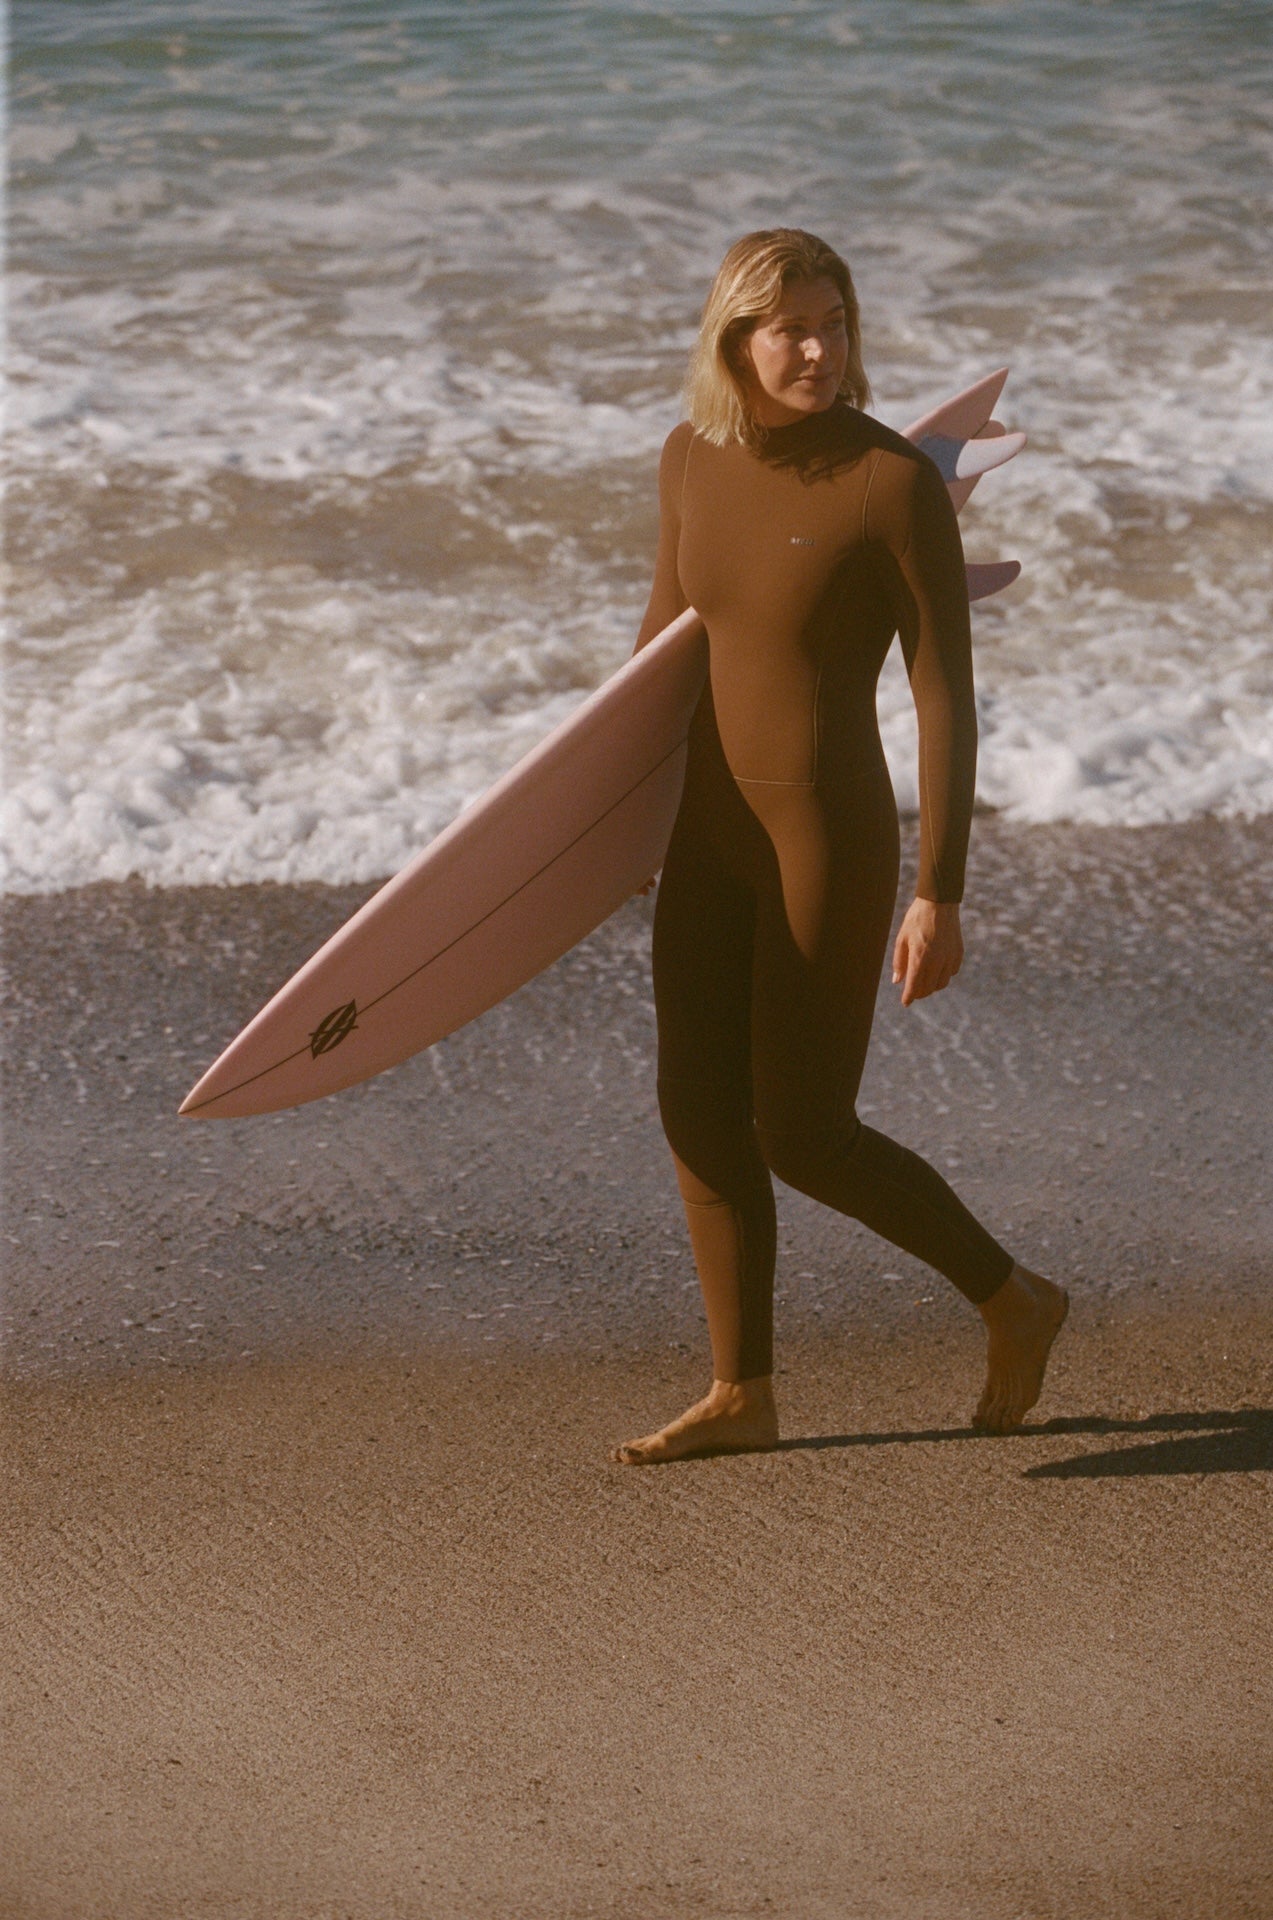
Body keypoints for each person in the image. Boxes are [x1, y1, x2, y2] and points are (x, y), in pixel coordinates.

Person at [613, 228, 1068, 1466]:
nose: (818, 350)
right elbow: (657, 659)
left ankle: (1015, 1297)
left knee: (801, 1128)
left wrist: (941, 891)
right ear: (735, 341)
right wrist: (610, 832)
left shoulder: (888, 484)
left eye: (835, 323)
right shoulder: (689, 460)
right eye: (790, 328)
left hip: (828, 834)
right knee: (695, 1116)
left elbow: (941, 697)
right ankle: (741, 1392)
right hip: (706, 835)